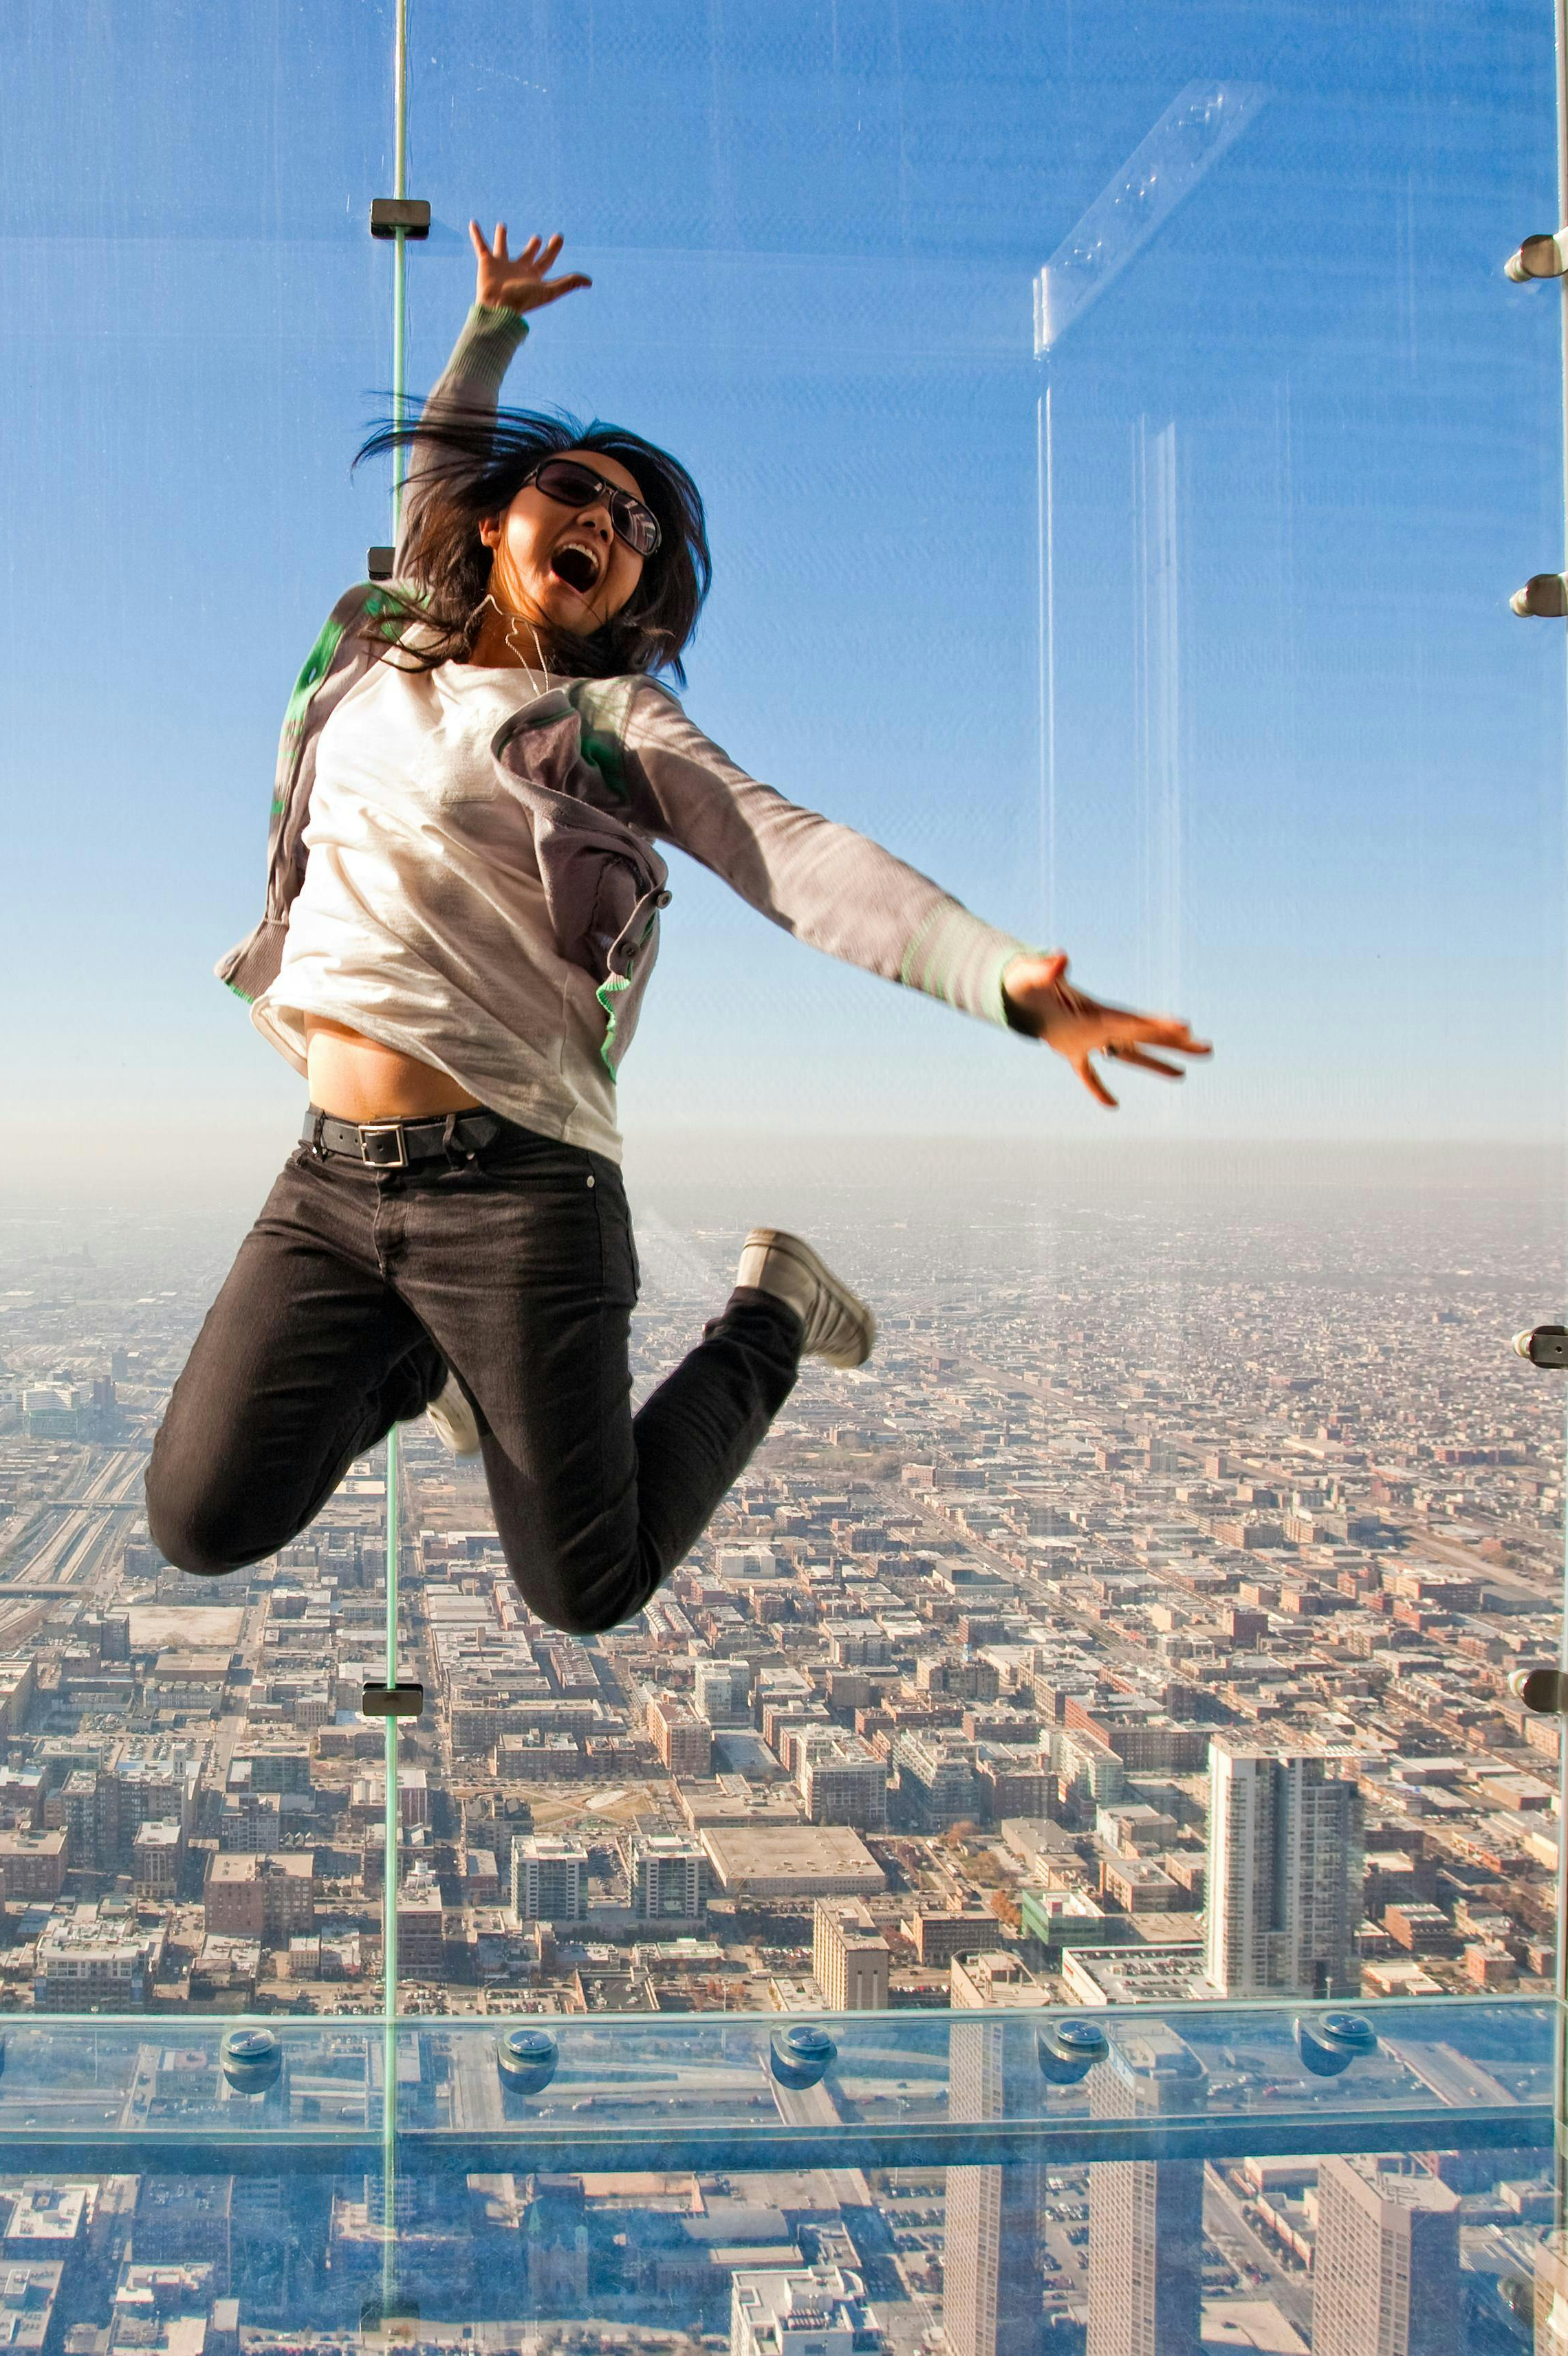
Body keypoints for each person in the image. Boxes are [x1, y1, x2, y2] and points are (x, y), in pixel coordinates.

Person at [142, 223, 1208, 1639]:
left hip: (523, 1194)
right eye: (575, 493)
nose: (606, 525)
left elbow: (792, 854)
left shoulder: (602, 727)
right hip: (332, 1183)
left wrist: (1005, 981)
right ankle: (425, 1360)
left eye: (637, 530)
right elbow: (437, 459)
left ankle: (772, 1313)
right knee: (200, 1521)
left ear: (639, 594)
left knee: (587, 1585)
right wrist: (493, 327)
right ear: (491, 519)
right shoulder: (380, 658)